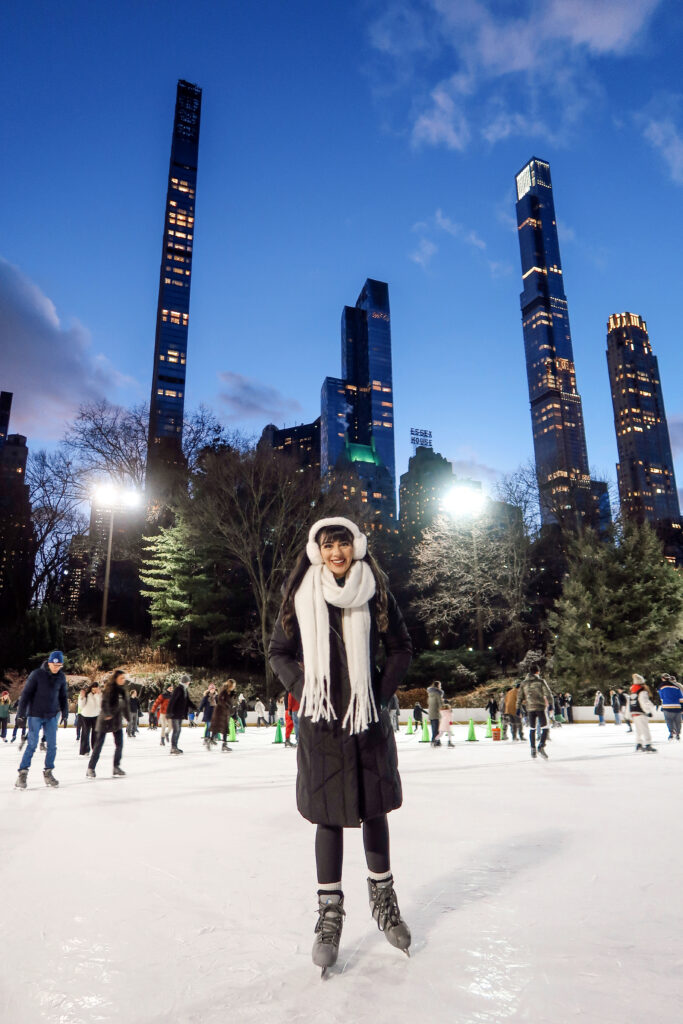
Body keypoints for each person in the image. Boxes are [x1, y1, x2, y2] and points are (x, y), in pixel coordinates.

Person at [269, 516, 413, 974]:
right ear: (317, 549)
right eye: (329, 544)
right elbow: (279, 652)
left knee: (374, 809)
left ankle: (384, 899)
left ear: (356, 547)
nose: (337, 552)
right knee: (326, 816)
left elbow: (401, 647)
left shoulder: (375, 589)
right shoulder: (301, 594)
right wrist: (305, 692)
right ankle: (329, 917)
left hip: (366, 721)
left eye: (344, 543)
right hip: (323, 723)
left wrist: (378, 692)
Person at [15, 650, 68, 789]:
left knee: (52, 746)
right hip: (35, 715)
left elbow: (63, 696)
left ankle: (48, 772)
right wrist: (20, 714)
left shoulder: (61, 677)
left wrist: (66, 713)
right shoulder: (37, 674)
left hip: (51, 715)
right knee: (32, 744)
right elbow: (25, 695)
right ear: (49, 662)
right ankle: (23, 773)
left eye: (59, 666)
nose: (56, 668)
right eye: (54, 665)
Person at [87, 670, 130, 778]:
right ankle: (90, 768)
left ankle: (116, 767)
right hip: (105, 721)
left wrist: (129, 718)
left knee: (119, 745)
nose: (123, 680)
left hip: (116, 721)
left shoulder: (123, 691)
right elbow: (104, 703)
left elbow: (125, 706)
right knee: (98, 746)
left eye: (124, 678)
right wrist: (107, 714)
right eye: (121, 678)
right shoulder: (109, 689)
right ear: (115, 678)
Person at [519, 663, 553, 760]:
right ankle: (541, 746)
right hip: (540, 707)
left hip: (529, 708)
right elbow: (548, 693)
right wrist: (551, 705)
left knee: (532, 729)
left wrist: (519, 709)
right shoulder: (541, 681)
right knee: (545, 727)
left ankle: (533, 748)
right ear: (538, 672)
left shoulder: (524, 683)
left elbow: (519, 697)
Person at [167, 675, 196, 755]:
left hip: (180, 714)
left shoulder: (184, 690)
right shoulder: (178, 689)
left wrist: (194, 707)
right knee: (176, 730)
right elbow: (172, 701)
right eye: (189, 682)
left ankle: (175, 746)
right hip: (175, 714)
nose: (189, 683)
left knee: (178, 730)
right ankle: (173, 748)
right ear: (186, 682)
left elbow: (187, 701)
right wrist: (169, 712)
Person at [629, 674, 657, 752]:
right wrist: (648, 711)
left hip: (634, 712)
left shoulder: (633, 690)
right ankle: (648, 744)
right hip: (640, 712)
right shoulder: (642, 691)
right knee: (645, 729)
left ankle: (639, 744)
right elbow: (644, 702)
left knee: (639, 730)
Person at [208, 679, 237, 751]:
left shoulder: (231, 692)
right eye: (233, 686)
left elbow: (230, 702)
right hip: (220, 712)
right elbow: (220, 700)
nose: (234, 687)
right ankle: (211, 740)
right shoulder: (224, 691)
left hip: (226, 712)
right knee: (218, 727)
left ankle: (223, 745)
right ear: (230, 685)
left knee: (225, 729)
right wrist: (227, 706)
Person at [657, 673, 683, 741]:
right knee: (677, 721)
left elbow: (661, 698)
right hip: (677, 706)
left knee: (669, 720)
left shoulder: (661, 687)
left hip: (666, 706)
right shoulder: (677, 687)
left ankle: (671, 732)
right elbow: (681, 698)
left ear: (663, 678)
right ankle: (678, 734)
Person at [79, 682, 102, 755]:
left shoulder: (100, 695)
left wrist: (97, 695)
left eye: (97, 687)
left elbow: (100, 705)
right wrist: (82, 697)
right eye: (94, 687)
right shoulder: (86, 694)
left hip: (96, 715)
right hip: (86, 715)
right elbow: (81, 706)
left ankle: (95, 749)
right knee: (85, 733)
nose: (95, 689)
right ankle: (85, 750)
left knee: (96, 733)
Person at [427, 680, 444, 746]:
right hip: (436, 712)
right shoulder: (438, 693)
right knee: (436, 728)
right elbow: (440, 704)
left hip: (431, 712)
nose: (441, 687)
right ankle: (435, 741)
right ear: (438, 686)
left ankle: (434, 740)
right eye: (440, 685)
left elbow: (428, 703)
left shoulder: (430, 694)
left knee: (434, 728)